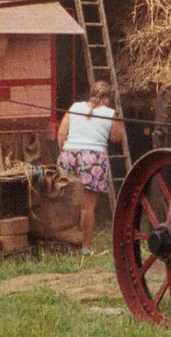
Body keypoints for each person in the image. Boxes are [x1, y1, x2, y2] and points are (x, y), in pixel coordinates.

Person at [57, 80, 126, 253]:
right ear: (106, 98)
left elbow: (61, 133)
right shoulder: (109, 113)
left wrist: (66, 151)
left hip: (70, 154)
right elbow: (117, 138)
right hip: (93, 158)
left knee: (67, 201)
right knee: (87, 207)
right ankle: (86, 247)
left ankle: (63, 241)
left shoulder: (75, 107)